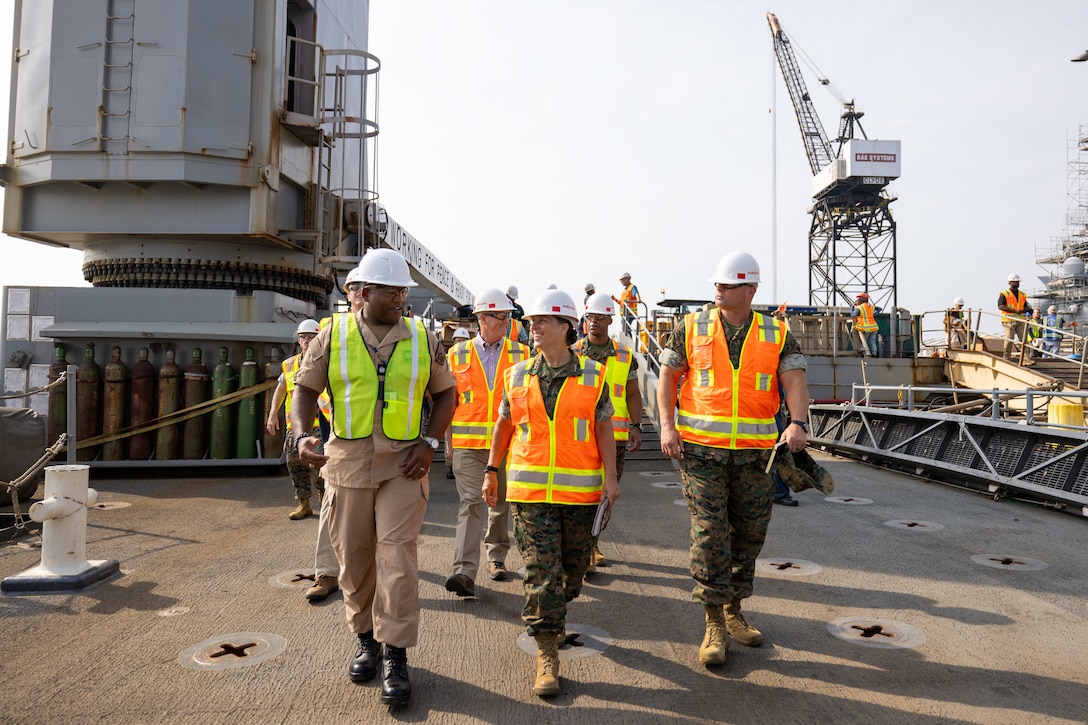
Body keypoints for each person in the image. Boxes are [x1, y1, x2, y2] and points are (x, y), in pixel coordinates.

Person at [290, 248, 456, 707]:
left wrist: (430, 443)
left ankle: (396, 655)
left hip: (405, 463)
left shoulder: (423, 336)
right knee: (354, 559)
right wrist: (303, 436)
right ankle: (366, 639)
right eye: (391, 291)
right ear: (363, 293)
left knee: (398, 557)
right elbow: (304, 389)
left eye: (404, 290)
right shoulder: (333, 334)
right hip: (345, 463)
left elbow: (446, 395)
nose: (400, 298)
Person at [657, 251, 810, 667]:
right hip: (701, 454)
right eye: (718, 285)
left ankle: (734, 607)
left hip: (755, 457)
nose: (718, 290)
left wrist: (797, 422)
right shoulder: (690, 327)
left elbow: (794, 381)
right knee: (710, 534)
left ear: (751, 290)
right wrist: (667, 426)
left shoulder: (777, 333)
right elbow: (668, 378)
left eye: (726, 285)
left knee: (748, 536)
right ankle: (713, 622)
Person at [483, 288, 619, 698]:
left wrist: (611, 479)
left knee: (572, 574)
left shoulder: (593, 375)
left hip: (578, 495)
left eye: (542, 321)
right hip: (530, 493)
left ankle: (555, 616)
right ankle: (547, 652)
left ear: (566, 327)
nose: (533, 327)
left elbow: (603, 428)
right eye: (531, 322)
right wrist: (492, 469)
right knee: (542, 574)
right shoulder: (518, 374)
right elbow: (504, 426)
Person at [444, 290, 530, 597]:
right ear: (482, 318)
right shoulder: (456, 355)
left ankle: (496, 557)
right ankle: (464, 572)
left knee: (500, 503)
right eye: (501, 316)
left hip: (507, 444)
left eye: (508, 316)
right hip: (468, 445)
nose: (507, 321)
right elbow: (446, 402)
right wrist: (447, 441)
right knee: (471, 504)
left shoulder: (522, 354)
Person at [575, 292, 643, 573]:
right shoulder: (574, 352)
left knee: (607, 494)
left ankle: (592, 543)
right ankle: (584, 548)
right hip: (580, 435)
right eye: (590, 317)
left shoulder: (625, 355)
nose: (594, 322)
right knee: (581, 492)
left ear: (610, 320)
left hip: (614, 437)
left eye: (600, 317)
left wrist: (637, 426)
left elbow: (633, 393)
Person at [265, 319, 329, 521]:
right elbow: (282, 388)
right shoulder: (289, 364)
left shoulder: (326, 361)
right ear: (298, 340)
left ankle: (326, 502)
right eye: (303, 337)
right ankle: (304, 504)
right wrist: (273, 413)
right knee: (295, 464)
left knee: (320, 466)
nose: (307, 340)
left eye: (311, 336)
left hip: (321, 425)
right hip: (295, 426)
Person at [444, 327, 473, 480]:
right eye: (458, 340)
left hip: (466, 411)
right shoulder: (450, 357)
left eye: (463, 340)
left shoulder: (472, 358)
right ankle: (450, 465)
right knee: (449, 437)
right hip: (452, 404)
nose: (460, 343)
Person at [998, 273, 1032, 360]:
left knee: (1024, 339)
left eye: (1017, 281)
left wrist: (1027, 310)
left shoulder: (1022, 294)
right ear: (1009, 282)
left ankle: (1026, 358)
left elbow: (1025, 305)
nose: (1017, 283)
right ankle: (1006, 357)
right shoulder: (1004, 293)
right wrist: (1015, 311)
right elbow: (1000, 306)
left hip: (1021, 320)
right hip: (1009, 320)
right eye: (1014, 281)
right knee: (1009, 338)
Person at [851, 293, 880, 357]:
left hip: (866, 328)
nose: (857, 300)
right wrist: (875, 314)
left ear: (862, 300)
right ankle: (874, 355)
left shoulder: (859, 307)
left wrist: (852, 307)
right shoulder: (870, 306)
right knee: (872, 341)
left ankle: (865, 354)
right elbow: (879, 309)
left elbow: (853, 315)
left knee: (862, 342)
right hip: (874, 327)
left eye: (858, 299)